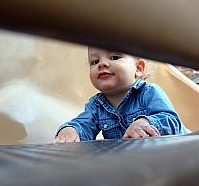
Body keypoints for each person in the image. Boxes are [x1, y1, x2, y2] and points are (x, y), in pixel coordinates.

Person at [54, 47, 190, 143]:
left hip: (183, 149)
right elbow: (84, 124)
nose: (102, 64)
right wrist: (70, 130)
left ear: (138, 68)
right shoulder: (96, 105)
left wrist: (145, 122)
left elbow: (171, 121)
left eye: (114, 57)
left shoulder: (148, 92)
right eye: (94, 61)